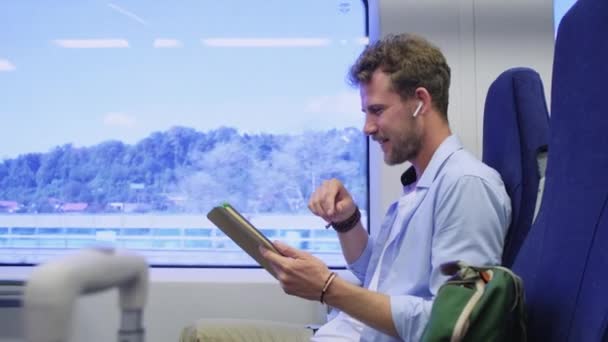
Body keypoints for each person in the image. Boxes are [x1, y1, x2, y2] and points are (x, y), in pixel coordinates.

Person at [260, 33, 511, 342]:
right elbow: (379, 282)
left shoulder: (466, 186)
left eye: (376, 110)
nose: (367, 127)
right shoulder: (420, 186)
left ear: (421, 102)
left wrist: (328, 288)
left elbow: (454, 324)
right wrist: (347, 221)